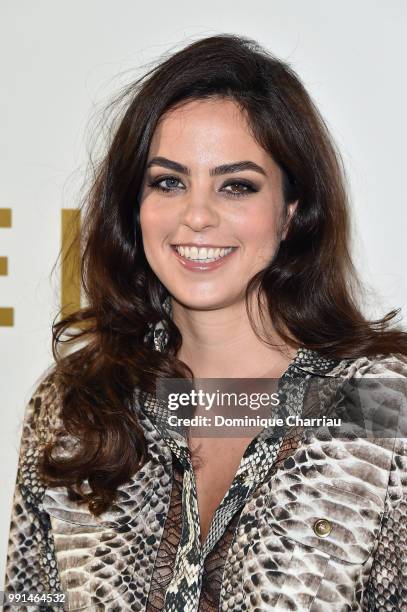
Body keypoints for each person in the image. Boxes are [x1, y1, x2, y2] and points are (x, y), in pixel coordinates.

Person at [3, 33, 407, 612]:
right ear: (134, 206)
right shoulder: (77, 404)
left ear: (292, 211)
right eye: (168, 182)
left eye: (236, 186)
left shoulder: (379, 401)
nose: (196, 215)